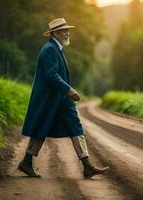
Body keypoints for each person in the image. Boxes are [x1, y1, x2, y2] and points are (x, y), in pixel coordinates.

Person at [18, 18, 109, 179]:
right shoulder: (50, 50)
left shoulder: (57, 48)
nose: (67, 33)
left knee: (75, 126)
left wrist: (66, 92)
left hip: (60, 100)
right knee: (41, 128)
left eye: (67, 30)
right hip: (50, 99)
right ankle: (26, 161)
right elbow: (51, 75)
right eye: (63, 30)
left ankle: (86, 165)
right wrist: (69, 89)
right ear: (55, 33)